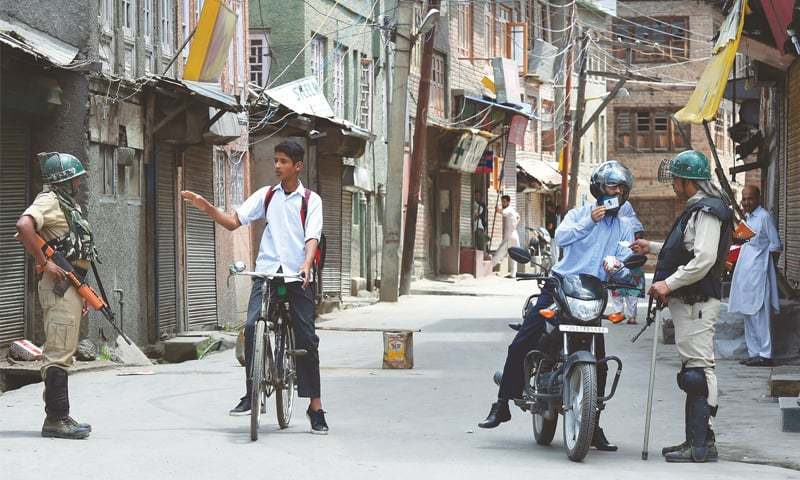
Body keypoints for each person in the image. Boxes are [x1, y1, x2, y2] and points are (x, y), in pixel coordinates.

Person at [479, 161, 635, 452]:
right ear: (600, 189)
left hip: (592, 294)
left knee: (598, 360)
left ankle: (593, 423)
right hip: (561, 286)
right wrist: (590, 219)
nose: (618, 191)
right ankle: (502, 403)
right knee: (523, 339)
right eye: (613, 186)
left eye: (622, 188)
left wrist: (618, 268)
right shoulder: (578, 214)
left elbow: (625, 262)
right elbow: (562, 238)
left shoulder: (625, 227)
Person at [180, 140, 328, 434]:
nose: (277, 166)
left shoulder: (311, 200)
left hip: (298, 277)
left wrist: (307, 264)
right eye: (275, 160)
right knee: (251, 327)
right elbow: (234, 221)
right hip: (267, 272)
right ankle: (251, 393)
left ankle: (315, 407)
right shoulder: (267, 195)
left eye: (283, 161)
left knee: (307, 341)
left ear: (297, 166)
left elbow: (312, 237)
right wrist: (206, 206)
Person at [632, 150, 733, 463]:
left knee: (698, 373)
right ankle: (699, 440)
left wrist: (668, 284)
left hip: (697, 302)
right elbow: (686, 253)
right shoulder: (698, 209)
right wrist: (652, 248)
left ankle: (700, 444)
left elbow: (703, 259)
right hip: (691, 302)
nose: (674, 184)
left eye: (677, 178)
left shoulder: (708, 211)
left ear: (689, 181)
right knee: (694, 370)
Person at [15, 152, 95, 439]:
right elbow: (24, 225)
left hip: (71, 285)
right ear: (63, 180)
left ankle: (62, 416)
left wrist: (81, 293)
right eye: (74, 179)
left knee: (65, 349)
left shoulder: (65, 203)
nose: (78, 184)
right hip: (58, 285)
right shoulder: (48, 200)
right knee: (58, 351)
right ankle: (56, 419)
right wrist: (45, 262)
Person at [728, 185, 781, 367]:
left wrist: (766, 268)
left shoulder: (764, 217)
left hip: (759, 273)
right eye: (743, 199)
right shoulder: (748, 218)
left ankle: (765, 354)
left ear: (758, 198)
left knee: (760, 314)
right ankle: (754, 353)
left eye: (749, 199)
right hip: (745, 274)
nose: (746, 202)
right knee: (748, 312)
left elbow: (775, 246)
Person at [610, 202, 646, 324]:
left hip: (617, 258)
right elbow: (640, 242)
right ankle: (632, 316)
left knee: (616, 287)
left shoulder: (613, 223)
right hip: (633, 261)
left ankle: (618, 313)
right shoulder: (637, 224)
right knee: (633, 289)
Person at [491, 195, 521, 278]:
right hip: (514, 234)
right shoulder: (512, 210)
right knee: (513, 255)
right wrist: (514, 225)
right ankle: (513, 274)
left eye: (504, 201)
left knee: (499, 253)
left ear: (508, 202)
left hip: (510, 236)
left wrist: (497, 210)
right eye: (502, 201)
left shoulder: (508, 209)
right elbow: (519, 217)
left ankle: (488, 268)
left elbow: (503, 212)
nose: (503, 203)